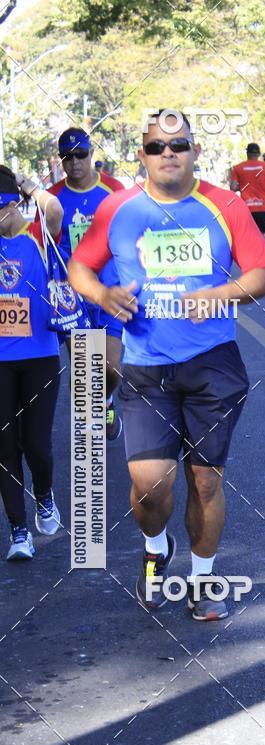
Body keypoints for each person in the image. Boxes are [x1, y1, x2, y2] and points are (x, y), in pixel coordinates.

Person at [69, 109, 265, 621]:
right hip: (144, 368)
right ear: (141, 156)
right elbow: (80, 266)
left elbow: (264, 274)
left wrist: (221, 293)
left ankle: (203, 582)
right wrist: (103, 293)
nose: (169, 155)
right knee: (151, 486)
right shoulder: (118, 209)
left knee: (205, 481)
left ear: (195, 153)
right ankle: (157, 546)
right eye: (157, 147)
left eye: (178, 146)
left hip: (212, 366)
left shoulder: (225, 205)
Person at [0, 164, 64, 559]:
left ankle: (44, 495)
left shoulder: (38, 234)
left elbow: (54, 212)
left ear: (7, 205)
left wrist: (26, 186)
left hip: (40, 355)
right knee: (5, 446)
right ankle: (19, 532)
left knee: (37, 444)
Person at [46, 128, 125, 440]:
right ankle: (89, 449)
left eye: (80, 154)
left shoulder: (114, 189)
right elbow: (43, 244)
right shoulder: (52, 198)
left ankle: (106, 399)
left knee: (111, 368)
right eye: (68, 156)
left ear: (92, 154)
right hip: (72, 297)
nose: (75, 162)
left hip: (111, 291)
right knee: (84, 373)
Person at [230, 142, 265, 233]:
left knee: (248, 234)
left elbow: (233, 187)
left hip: (246, 207)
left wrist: (240, 187)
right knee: (260, 234)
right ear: (259, 154)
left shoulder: (237, 168)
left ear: (247, 154)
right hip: (262, 206)